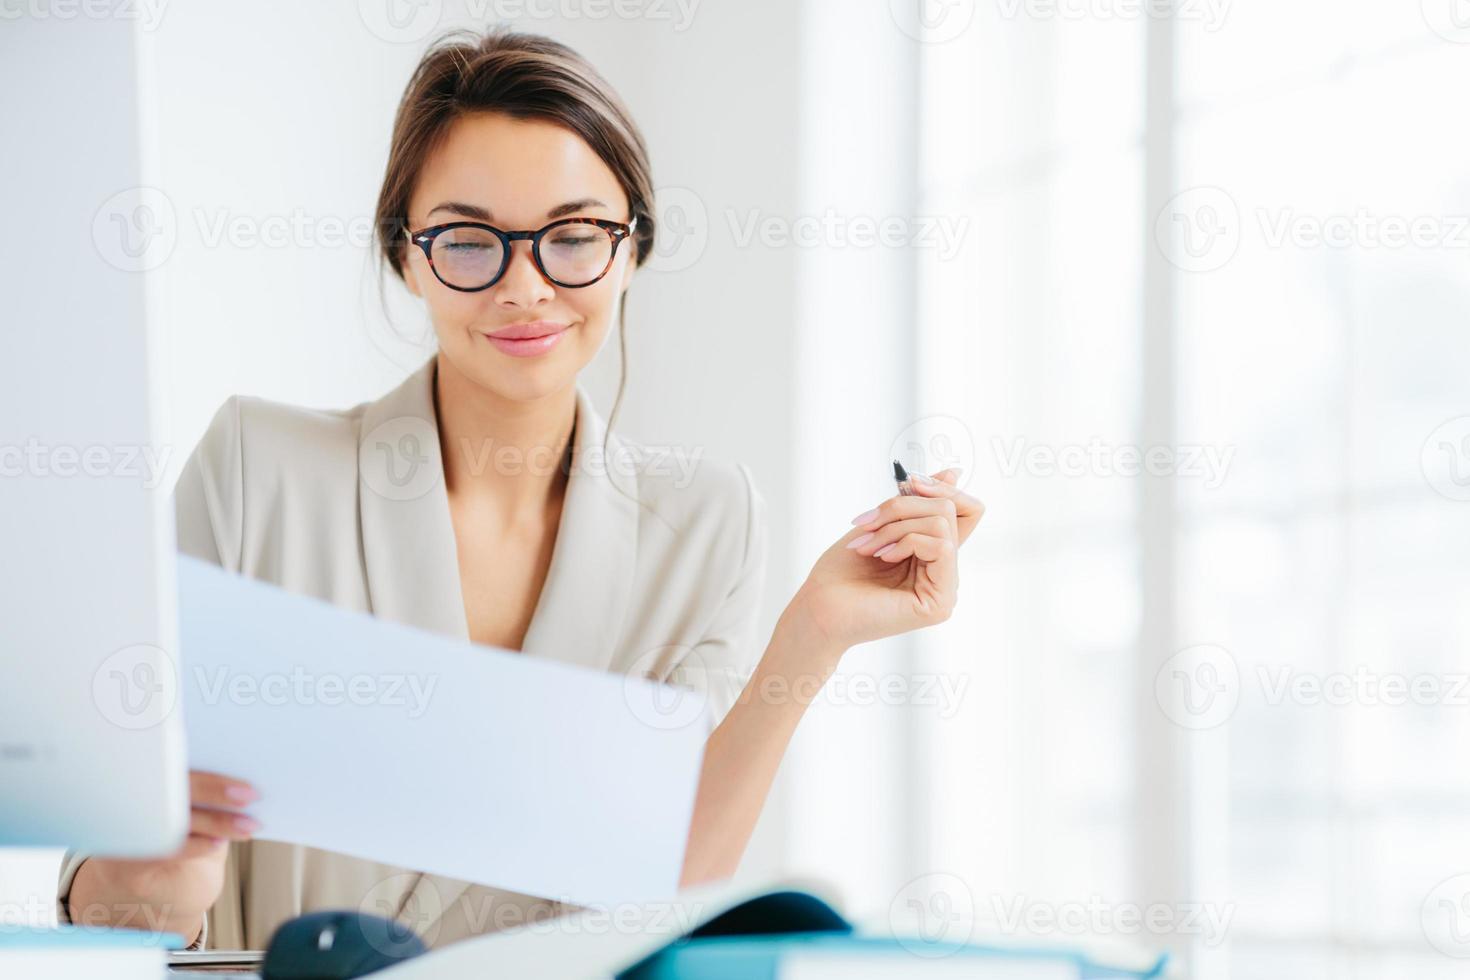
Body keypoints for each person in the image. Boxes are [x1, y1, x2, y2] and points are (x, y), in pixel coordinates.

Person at [60, 26, 983, 950]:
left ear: (631, 249)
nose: (526, 287)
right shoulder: (256, 472)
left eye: (574, 236)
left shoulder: (707, 523)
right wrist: (159, 873)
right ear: (407, 255)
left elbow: (671, 891)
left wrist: (812, 637)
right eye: (468, 242)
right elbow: (116, 912)